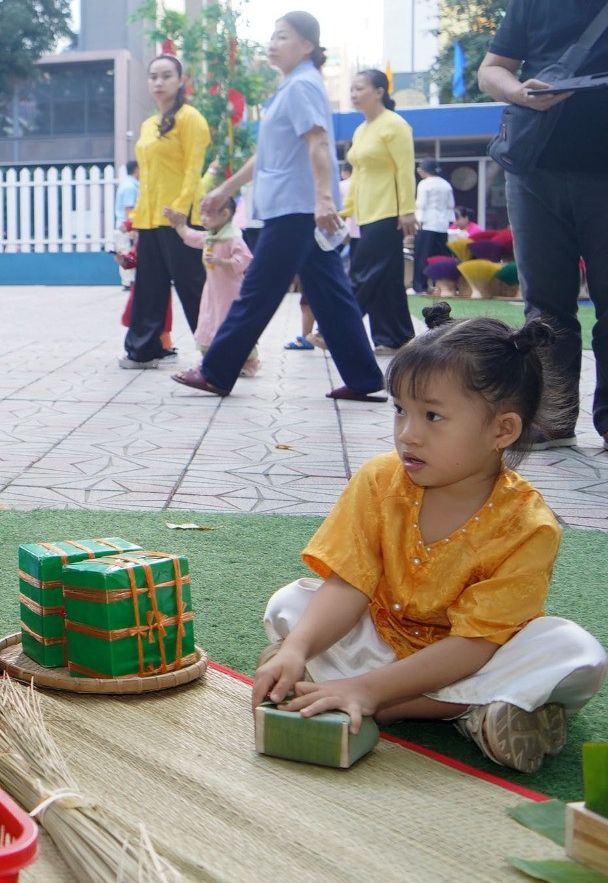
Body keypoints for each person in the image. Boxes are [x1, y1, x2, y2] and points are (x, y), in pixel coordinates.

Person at [253, 305, 607, 773]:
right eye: (400, 409)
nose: (407, 434)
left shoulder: (529, 525)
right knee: (292, 605)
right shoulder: (380, 480)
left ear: (503, 430)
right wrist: (298, 647)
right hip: (381, 639)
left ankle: (390, 702)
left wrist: (372, 689)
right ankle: (478, 712)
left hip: (475, 657)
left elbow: (477, 646)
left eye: (433, 417)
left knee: (570, 650)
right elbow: (348, 584)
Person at [175, 13, 384, 401]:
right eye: (271, 36)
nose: (273, 43)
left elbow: (318, 142)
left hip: (297, 209)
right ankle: (364, 378)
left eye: (283, 36)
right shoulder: (290, 88)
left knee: (257, 290)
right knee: (331, 295)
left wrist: (323, 198)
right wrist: (224, 190)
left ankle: (217, 371)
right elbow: (266, 155)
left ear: (307, 46)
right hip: (296, 208)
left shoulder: (303, 85)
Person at [477, 0, 608, 450]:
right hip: (536, 175)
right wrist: (521, 94)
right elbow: (492, 70)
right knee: (547, 307)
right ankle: (553, 415)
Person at [120, 55, 209, 370]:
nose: (158, 83)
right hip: (149, 218)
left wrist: (181, 211)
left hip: (178, 218)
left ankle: (217, 353)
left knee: (192, 285)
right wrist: (135, 220)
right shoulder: (148, 124)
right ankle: (144, 349)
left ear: (180, 80)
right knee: (148, 286)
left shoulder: (191, 118)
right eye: (153, 76)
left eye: (166, 76)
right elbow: (148, 175)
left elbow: (192, 169)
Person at [340, 70, 418, 353]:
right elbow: (357, 175)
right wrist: (346, 210)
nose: (354, 94)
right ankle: (394, 338)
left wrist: (407, 210)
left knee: (363, 273)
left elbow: (405, 170)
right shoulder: (362, 129)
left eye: (360, 88)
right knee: (387, 279)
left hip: (388, 213)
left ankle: (336, 328)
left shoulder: (395, 125)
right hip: (364, 214)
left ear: (379, 92)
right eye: (352, 89)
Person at [164, 202, 260, 377]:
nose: (203, 219)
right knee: (209, 322)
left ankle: (249, 361)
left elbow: (245, 259)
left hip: (230, 292)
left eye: (208, 214)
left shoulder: (233, 239)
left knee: (229, 324)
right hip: (213, 291)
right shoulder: (211, 237)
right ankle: (208, 360)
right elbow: (192, 236)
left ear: (224, 214)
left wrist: (222, 262)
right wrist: (179, 225)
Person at [413, 160, 455, 294]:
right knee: (441, 256)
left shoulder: (424, 184)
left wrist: (417, 223)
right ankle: (442, 286)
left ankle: (420, 287)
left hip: (426, 224)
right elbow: (451, 204)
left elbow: (421, 205)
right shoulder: (446, 184)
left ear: (425, 170)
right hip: (442, 226)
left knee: (422, 257)